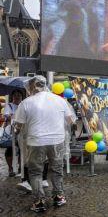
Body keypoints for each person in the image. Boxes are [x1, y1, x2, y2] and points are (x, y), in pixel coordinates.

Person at [14, 76, 76, 213]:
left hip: (35, 141)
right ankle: (59, 196)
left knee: (35, 171)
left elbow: (18, 125)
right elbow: (71, 121)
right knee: (57, 169)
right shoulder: (60, 100)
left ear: (32, 86)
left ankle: (39, 201)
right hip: (57, 140)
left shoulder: (26, 103)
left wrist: (16, 130)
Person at [3, 89, 22, 177]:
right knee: (10, 150)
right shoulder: (9, 106)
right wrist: (12, 117)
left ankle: (20, 168)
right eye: (15, 95)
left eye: (19, 95)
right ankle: (10, 168)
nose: (17, 96)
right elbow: (8, 116)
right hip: (11, 132)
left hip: (22, 132)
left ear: (22, 96)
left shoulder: (24, 105)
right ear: (12, 96)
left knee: (22, 150)